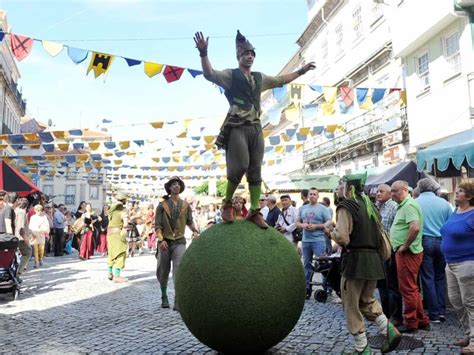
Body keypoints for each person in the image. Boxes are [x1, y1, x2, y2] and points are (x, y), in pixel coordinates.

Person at [194, 30, 315, 229]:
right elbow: (209, 74)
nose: (249, 56)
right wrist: (203, 53)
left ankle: (255, 211)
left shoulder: (259, 78)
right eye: (245, 54)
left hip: (255, 127)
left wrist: (302, 71)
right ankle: (226, 204)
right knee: (240, 165)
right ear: (239, 57)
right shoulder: (231, 75)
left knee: (255, 169)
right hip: (237, 126)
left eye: (252, 54)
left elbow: (280, 80)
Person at [325, 175, 401, 354]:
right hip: (373, 262)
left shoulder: (346, 206)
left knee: (351, 305)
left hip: (355, 263)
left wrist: (330, 231)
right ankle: (389, 330)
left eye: (340, 185)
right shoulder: (370, 206)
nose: (337, 188)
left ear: (348, 187)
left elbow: (343, 237)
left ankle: (362, 349)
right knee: (366, 300)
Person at [390, 180, 430, 333]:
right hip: (407, 252)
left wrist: (405, 246)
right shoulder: (405, 205)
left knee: (408, 289)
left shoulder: (409, 205)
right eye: (392, 191)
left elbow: (415, 227)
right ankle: (422, 321)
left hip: (408, 253)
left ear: (405, 190)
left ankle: (411, 322)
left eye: (395, 191)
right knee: (411, 288)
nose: (393, 194)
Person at [440, 182, 474, 353]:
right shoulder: (455, 212)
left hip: (467, 263)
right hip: (450, 263)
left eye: (460, 191)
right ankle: (469, 334)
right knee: (456, 301)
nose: (456, 193)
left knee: (470, 302)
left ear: (469, 196)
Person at [155, 176, 199, 310]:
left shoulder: (185, 206)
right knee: (163, 271)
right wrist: (161, 240)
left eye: (178, 184)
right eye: (174, 184)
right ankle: (164, 296)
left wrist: (195, 231)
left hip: (179, 241)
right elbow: (157, 226)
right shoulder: (162, 205)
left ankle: (177, 299)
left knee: (179, 270)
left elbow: (189, 221)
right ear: (169, 188)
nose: (176, 186)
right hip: (165, 242)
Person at [416, 178, 452, 323]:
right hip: (442, 241)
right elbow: (450, 225)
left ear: (420, 188)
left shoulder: (416, 203)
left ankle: (434, 313)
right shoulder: (444, 203)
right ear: (434, 188)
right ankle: (442, 311)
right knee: (440, 276)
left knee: (427, 277)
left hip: (425, 241)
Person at [375, 183, 403, 326]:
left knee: (391, 285)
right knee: (381, 284)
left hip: (390, 250)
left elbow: (395, 229)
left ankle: (396, 316)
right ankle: (385, 313)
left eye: (381, 191)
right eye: (377, 191)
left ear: (389, 193)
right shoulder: (378, 206)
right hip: (380, 251)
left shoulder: (392, 207)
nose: (378, 194)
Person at [296, 187, 331, 299]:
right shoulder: (302, 208)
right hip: (306, 240)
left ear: (318, 196)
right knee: (307, 264)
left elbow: (329, 222)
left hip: (319, 240)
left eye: (314, 194)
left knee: (323, 264)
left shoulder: (323, 208)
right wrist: (303, 226)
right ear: (308, 196)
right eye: (310, 194)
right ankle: (307, 289)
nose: (312, 196)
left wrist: (317, 226)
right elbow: (297, 222)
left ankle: (327, 287)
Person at [107, 192, 129, 283]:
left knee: (111, 253)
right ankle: (117, 275)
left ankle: (110, 273)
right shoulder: (123, 210)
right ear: (124, 200)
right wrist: (125, 229)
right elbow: (126, 222)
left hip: (109, 233)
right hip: (118, 233)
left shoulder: (111, 209)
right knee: (121, 253)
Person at [15, 198, 31, 278]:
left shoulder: (15, 210)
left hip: (15, 236)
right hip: (20, 237)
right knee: (27, 252)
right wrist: (25, 238)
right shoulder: (22, 212)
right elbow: (21, 227)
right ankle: (18, 273)